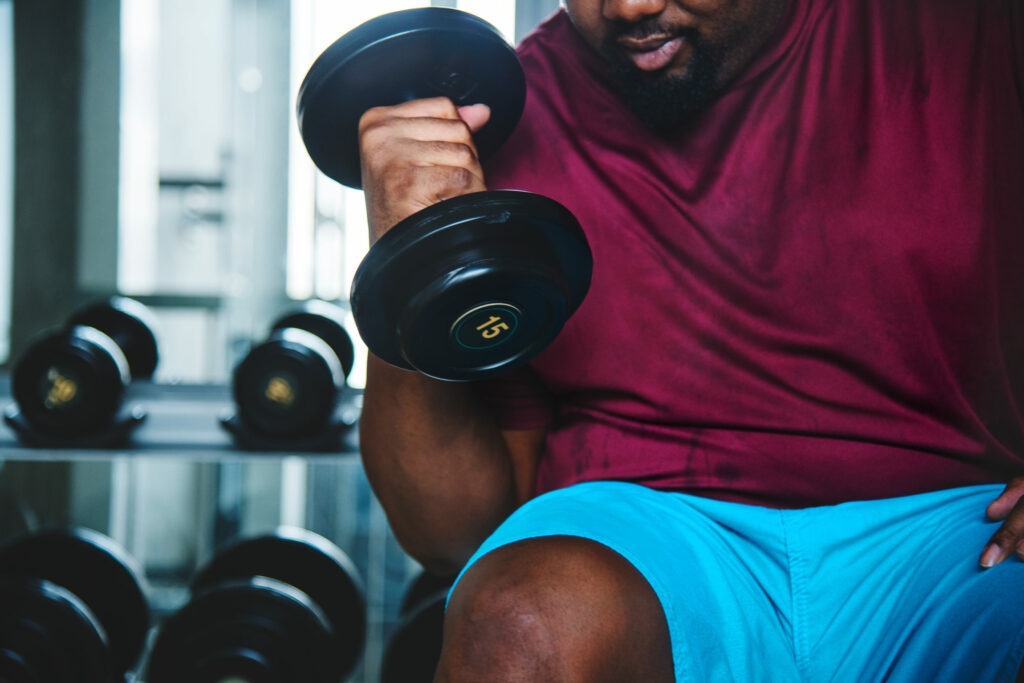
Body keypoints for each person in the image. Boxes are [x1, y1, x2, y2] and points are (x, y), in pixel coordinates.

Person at [357, 0, 1024, 679]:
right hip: (643, 547)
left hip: (959, 535)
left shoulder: (968, 31)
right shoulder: (502, 125)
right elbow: (450, 536)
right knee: (518, 627)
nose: (627, 7)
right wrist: (408, 258)